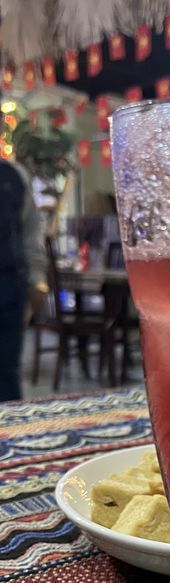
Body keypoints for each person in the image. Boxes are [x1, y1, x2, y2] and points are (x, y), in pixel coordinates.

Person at [0, 158, 47, 401]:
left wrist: (37, 281)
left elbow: (30, 232)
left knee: (7, 370)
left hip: (10, 286)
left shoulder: (14, 175)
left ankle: (10, 434)